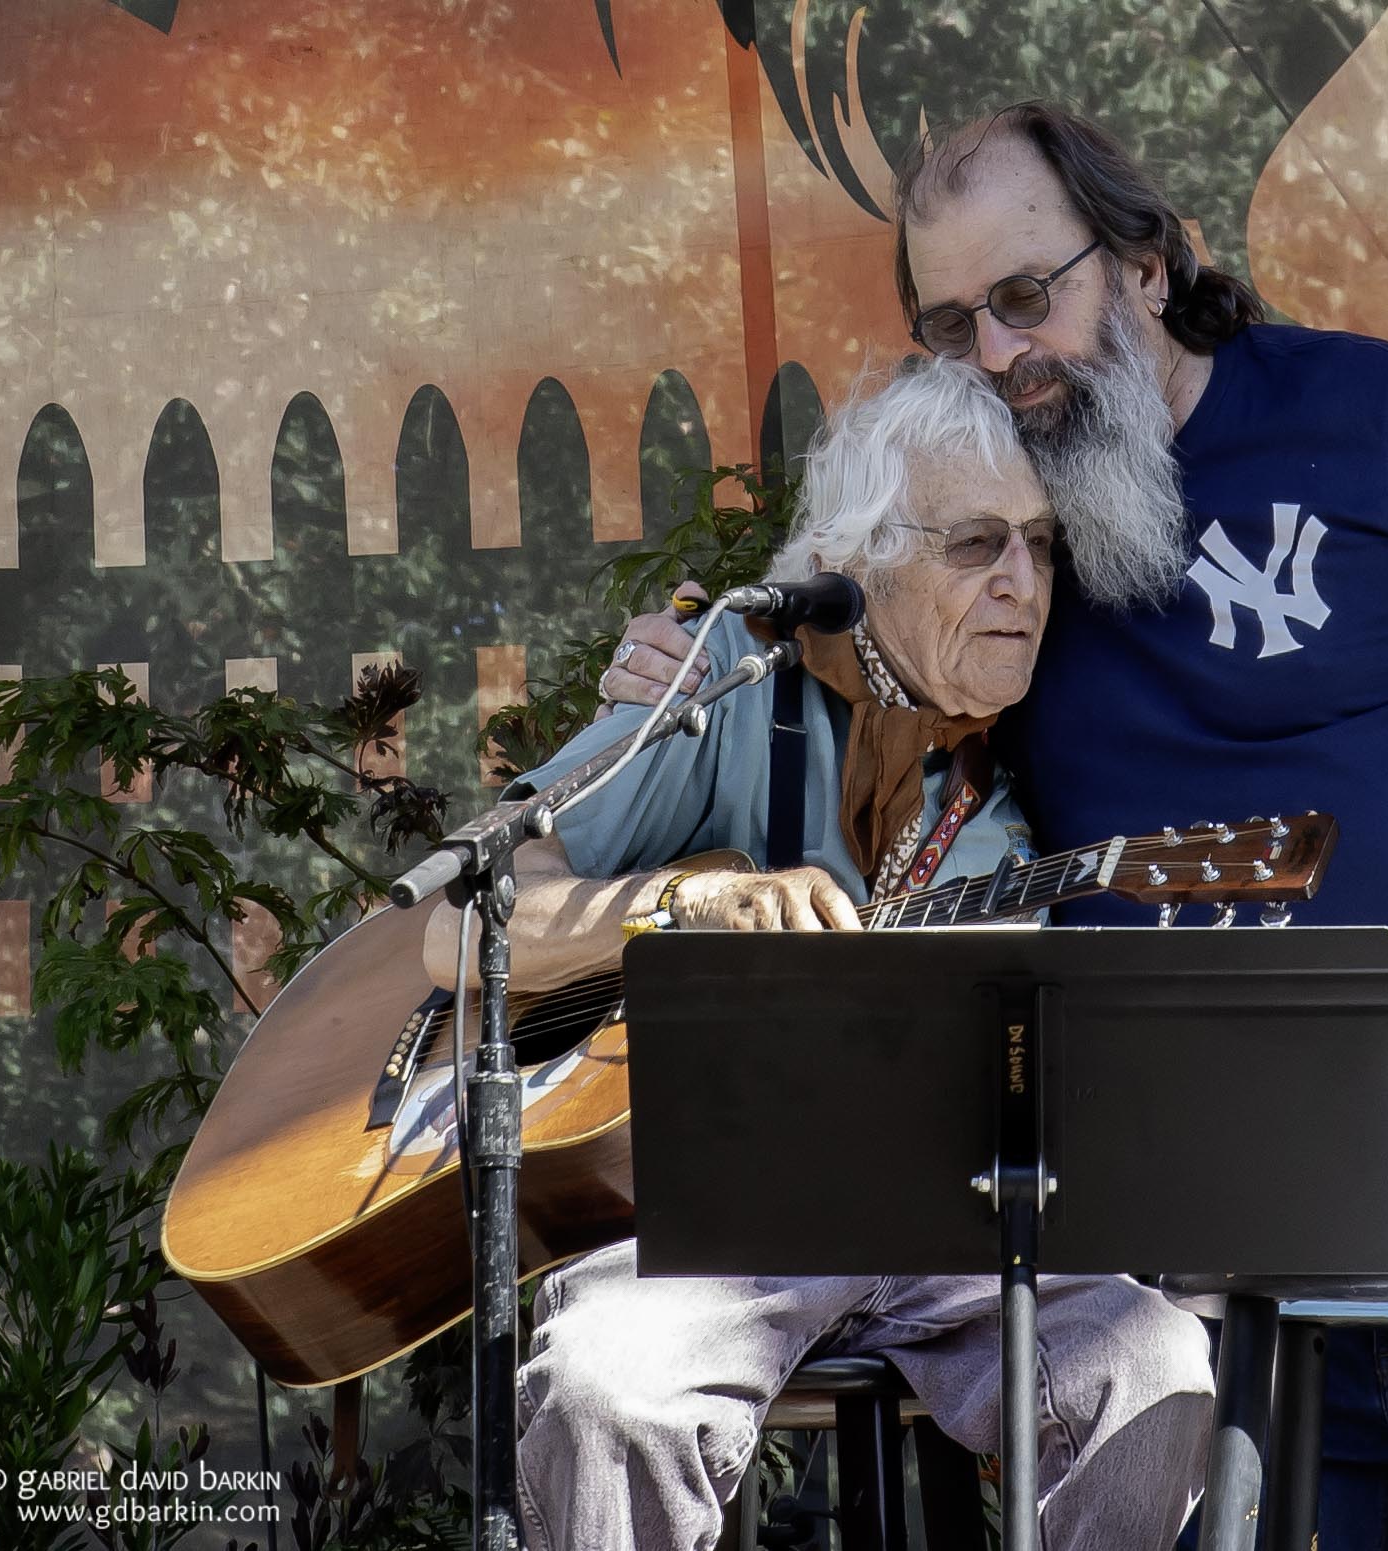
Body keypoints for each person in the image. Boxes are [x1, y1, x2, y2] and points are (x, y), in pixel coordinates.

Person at [606, 103, 1388, 1550]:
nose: (999, 357)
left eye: (1027, 297)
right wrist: (672, 670)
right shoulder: (998, 529)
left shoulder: (1372, 414)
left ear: (1143, 263)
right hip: (1208, 1263)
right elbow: (836, 657)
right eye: (950, 326)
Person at [457, 357, 1216, 1551]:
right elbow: (470, 915)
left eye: (1043, 546)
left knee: (1155, 1363)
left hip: (940, 1230)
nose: (1025, 583)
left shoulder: (1033, 759)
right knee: (610, 1387)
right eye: (976, 545)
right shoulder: (721, 683)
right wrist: (680, 904)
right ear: (854, 563)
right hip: (702, 1225)